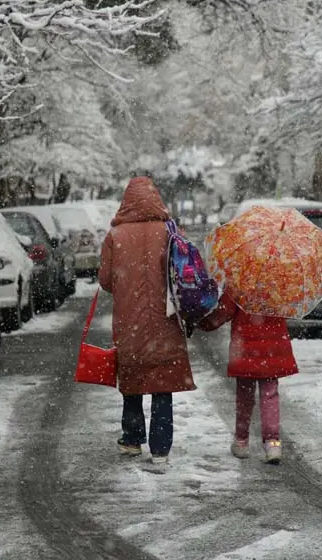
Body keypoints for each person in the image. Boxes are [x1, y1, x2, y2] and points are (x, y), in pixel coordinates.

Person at [98, 177, 195, 467]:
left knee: (132, 377)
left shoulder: (115, 236)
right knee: (162, 383)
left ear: (126, 201)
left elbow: (105, 280)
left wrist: (127, 289)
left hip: (129, 321)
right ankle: (161, 449)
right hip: (166, 320)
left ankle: (131, 439)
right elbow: (184, 271)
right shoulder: (169, 232)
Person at [198, 290, 298, 464]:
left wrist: (202, 323)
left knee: (244, 397)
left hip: (245, 347)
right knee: (270, 395)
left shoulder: (239, 282)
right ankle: (273, 443)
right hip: (273, 347)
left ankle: (241, 441)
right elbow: (289, 310)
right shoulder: (279, 282)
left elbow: (223, 312)